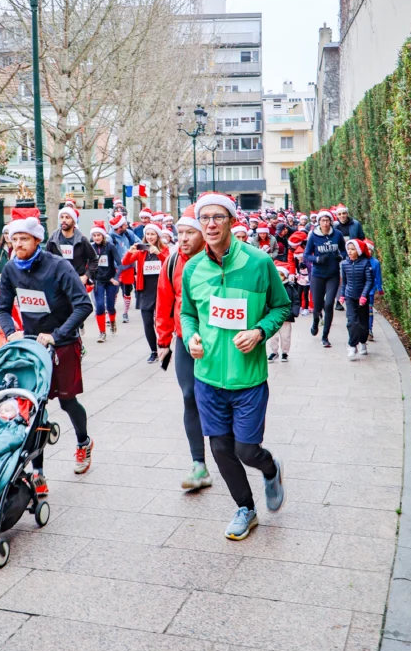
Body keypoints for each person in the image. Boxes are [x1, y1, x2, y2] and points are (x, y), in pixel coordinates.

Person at [180, 192, 290, 541]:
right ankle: (246, 508)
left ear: (231, 221)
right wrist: (191, 338)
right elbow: (187, 314)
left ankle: (270, 469)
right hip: (208, 377)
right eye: (205, 219)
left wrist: (259, 332)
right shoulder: (193, 268)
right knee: (220, 449)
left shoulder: (259, 263)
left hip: (248, 379)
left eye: (218, 217)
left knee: (246, 449)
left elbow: (282, 307)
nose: (210, 225)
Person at [0, 216, 95, 475]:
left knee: (67, 402)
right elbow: (3, 309)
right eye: (14, 239)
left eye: (24, 239)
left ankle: (83, 442)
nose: (18, 244)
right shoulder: (10, 269)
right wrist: (10, 332)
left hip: (62, 344)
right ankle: (37, 471)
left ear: (37, 240)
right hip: (31, 346)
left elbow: (84, 305)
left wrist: (57, 334)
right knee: (33, 405)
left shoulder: (58, 266)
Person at [156, 207, 210, 491]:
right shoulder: (172, 260)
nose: (183, 238)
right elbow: (164, 301)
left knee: (218, 400)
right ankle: (199, 464)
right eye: (180, 233)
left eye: (190, 232)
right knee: (190, 396)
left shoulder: (218, 260)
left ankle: (233, 454)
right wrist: (164, 342)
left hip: (218, 343)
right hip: (184, 340)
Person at [123, 222, 168, 363]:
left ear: (157, 236)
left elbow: (169, 263)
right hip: (145, 290)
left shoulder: (164, 249)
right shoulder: (141, 250)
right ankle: (153, 351)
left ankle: (164, 348)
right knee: (147, 322)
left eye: (152, 234)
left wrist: (158, 253)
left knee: (161, 323)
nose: (149, 237)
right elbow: (125, 262)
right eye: (147, 234)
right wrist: (130, 251)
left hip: (161, 290)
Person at [303, 209, 346, 348]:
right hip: (318, 274)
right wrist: (317, 259)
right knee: (318, 305)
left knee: (329, 304)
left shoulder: (337, 234)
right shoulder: (314, 236)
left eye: (328, 220)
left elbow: (344, 249)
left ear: (331, 222)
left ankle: (325, 336)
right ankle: (316, 321)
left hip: (332, 274)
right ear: (319, 222)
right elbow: (306, 255)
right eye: (323, 221)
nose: (325, 223)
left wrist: (342, 256)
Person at [339, 237, 375, 358]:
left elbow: (369, 281)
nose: (349, 251)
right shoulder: (344, 264)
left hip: (362, 298)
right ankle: (352, 345)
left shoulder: (366, 263)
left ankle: (363, 342)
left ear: (358, 251)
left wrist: (364, 296)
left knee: (363, 323)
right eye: (348, 249)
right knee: (352, 321)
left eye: (352, 249)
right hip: (350, 297)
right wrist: (342, 294)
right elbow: (344, 282)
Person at [47, 207, 98, 285]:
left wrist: (86, 276)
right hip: (58, 282)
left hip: (77, 282)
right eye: (62, 217)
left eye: (67, 217)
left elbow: (94, 259)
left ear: (74, 221)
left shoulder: (82, 240)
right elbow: (46, 259)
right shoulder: (53, 239)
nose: (64, 220)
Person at [89, 221, 119, 342]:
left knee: (110, 306)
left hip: (110, 280)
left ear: (103, 235)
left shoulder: (110, 246)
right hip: (98, 281)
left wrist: (116, 278)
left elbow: (120, 263)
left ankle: (112, 321)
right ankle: (102, 333)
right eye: (94, 235)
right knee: (100, 306)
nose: (96, 237)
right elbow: (87, 263)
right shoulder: (91, 248)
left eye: (99, 235)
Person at [109, 212, 138, 323]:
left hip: (128, 267)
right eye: (124, 224)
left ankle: (125, 313)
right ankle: (111, 314)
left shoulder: (128, 233)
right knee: (113, 292)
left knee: (127, 291)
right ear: (119, 227)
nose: (127, 225)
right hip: (116, 268)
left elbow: (138, 243)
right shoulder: (110, 237)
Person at [267, 263, 299, 362]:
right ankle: (274, 351)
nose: (279, 277)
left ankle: (285, 352)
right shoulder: (271, 287)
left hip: (286, 317)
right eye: (277, 274)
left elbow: (296, 300)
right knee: (273, 336)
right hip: (274, 316)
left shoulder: (290, 288)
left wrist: (294, 312)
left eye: (281, 275)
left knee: (285, 336)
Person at [367, 241, 384, 341]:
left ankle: (369, 329)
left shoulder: (375, 263)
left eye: (370, 249)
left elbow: (378, 277)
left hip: (371, 291)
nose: (368, 251)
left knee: (369, 311)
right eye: (367, 249)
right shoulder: (360, 261)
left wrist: (380, 288)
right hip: (360, 291)